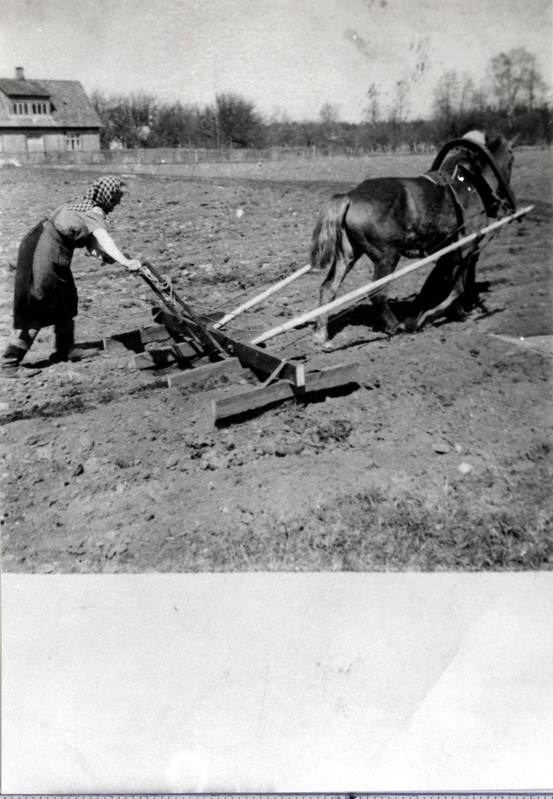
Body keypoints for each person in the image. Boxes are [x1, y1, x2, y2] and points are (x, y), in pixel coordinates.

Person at [1, 175, 141, 377]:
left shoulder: (82, 207)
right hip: (43, 251)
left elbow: (92, 245)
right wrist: (126, 262)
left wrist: (109, 257)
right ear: (108, 195)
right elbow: (103, 238)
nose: (119, 201)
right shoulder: (93, 211)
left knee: (66, 298)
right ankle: (9, 364)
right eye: (118, 196)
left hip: (50, 249)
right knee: (38, 303)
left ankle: (65, 349)